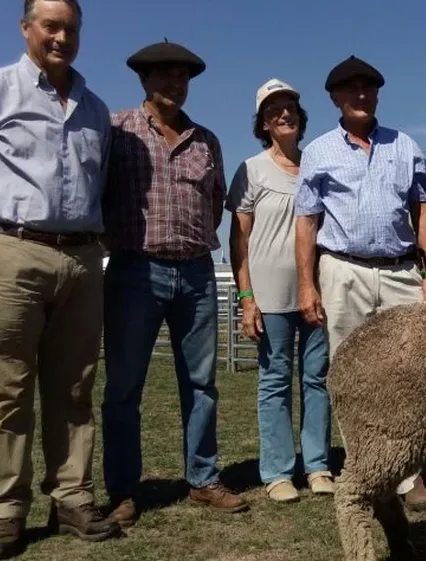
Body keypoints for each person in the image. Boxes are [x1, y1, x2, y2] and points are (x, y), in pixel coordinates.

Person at [0, 0, 121, 556]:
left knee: (75, 386)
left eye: (71, 28)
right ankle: (6, 509)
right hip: (10, 249)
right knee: (8, 388)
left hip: (82, 258)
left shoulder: (95, 109)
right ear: (26, 28)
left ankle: (73, 497)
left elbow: (101, 186)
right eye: (50, 26)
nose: (61, 37)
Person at [100, 40, 248, 528]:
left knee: (202, 383)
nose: (173, 83)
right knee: (124, 386)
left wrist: (196, 244)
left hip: (197, 273)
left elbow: (213, 205)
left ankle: (203, 479)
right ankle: (123, 489)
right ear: (144, 80)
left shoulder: (206, 139)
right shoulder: (117, 130)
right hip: (135, 270)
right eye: (163, 75)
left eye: (182, 77)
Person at [293, 55, 426, 511]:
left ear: (377, 94)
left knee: (412, 371)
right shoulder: (318, 151)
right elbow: (305, 222)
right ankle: (367, 466)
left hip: (401, 270)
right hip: (343, 268)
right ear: (335, 98)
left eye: (368, 87)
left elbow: (423, 210)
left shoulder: (407, 146)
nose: (360, 94)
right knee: (351, 374)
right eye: (350, 88)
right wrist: (307, 284)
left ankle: (411, 473)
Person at [227, 78, 333, 504]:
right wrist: (245, 298)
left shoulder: (318, 165)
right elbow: (237, 239)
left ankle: (319, 465)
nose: (284, 114)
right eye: (274, 110)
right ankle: (276, 471)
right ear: (264, 123)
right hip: (269, 294)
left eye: (290, 106)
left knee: (317, 379)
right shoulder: (251, 170)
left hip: (316, 291)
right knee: (274, 381)